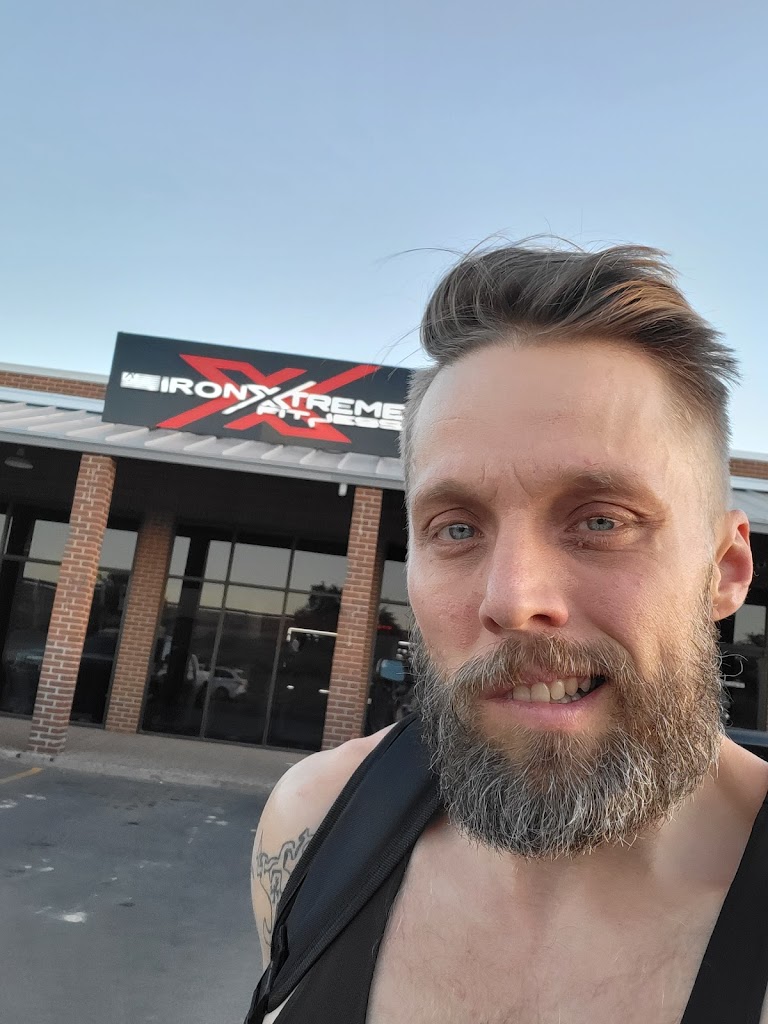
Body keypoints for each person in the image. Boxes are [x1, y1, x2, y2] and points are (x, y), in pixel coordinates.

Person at [248, 243, 768, 1023]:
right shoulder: (315, 825)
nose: (513, 599)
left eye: (602, 520)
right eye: (456, 528)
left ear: (725, 569)